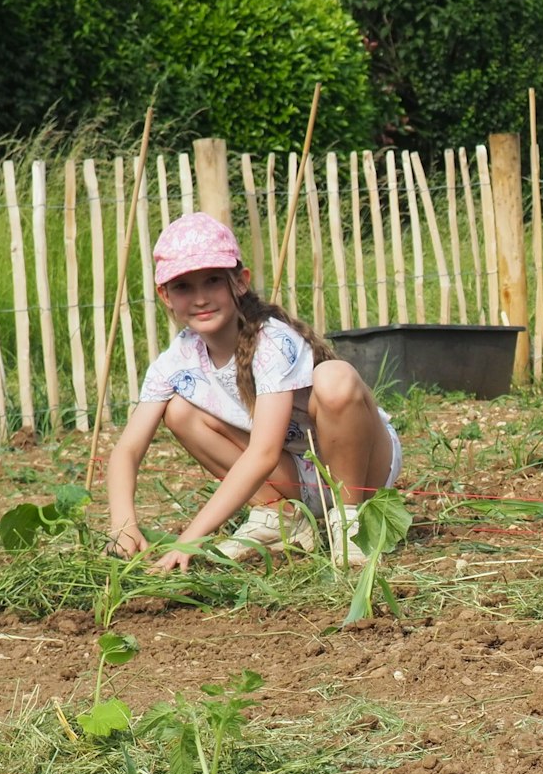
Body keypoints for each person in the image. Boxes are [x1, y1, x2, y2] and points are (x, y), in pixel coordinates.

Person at [105, 212, 401, 571]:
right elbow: (127, 450)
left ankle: (351, 522)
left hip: (363, 467)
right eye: (184, 286)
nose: (200, 298)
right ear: (165, 295)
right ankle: (281, 517)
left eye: (212, 281)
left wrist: (189, 540)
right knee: (179, 410)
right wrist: (124, 525)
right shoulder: (176, 363)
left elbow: (263, 453)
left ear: (240, 282)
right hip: (295, 476)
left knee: (335, 378)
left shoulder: (271, 342)